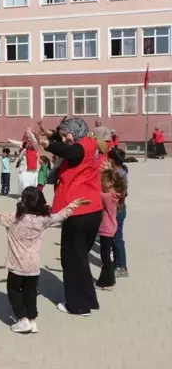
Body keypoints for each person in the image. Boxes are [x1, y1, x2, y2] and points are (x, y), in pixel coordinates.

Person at [0, 188, 88, 333]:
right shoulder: (43, 220)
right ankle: (32, 320)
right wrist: (74, 204)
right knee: (30, 293)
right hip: (33, 268)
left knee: (13, 291)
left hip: (17, 268)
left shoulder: (13, 218)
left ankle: (23, 320)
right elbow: (61, 216)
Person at [38, 117, 103, 316]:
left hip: (78, 212)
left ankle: (78, 306)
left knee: (72, 260)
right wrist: (53, 135)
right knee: (81, 258)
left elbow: (69, 150)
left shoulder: (79, 149)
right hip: (91, 210)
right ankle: (89, 300)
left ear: (75, 132)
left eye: (66, 134)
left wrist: (48, 144)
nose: (65, 138)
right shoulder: (90, 142)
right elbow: (69, 144)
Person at [96, 169, 127, 292]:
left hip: (106, 230)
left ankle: (108, 282)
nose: (100, 183)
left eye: (102, 181)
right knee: (106, 258)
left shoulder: (108, 197)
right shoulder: (115, 194)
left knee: (106, 259)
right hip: (109, 228)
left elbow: (96, 193)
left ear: (110, 183)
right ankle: (105, 281)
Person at [107, 148, 129, 278]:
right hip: (119, 208)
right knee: (116, 238)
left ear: (112, 160)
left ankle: (121, 266)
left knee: (117, 239)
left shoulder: (118, 174)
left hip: (117, 209)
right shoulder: (121, 170)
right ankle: (117, 263)